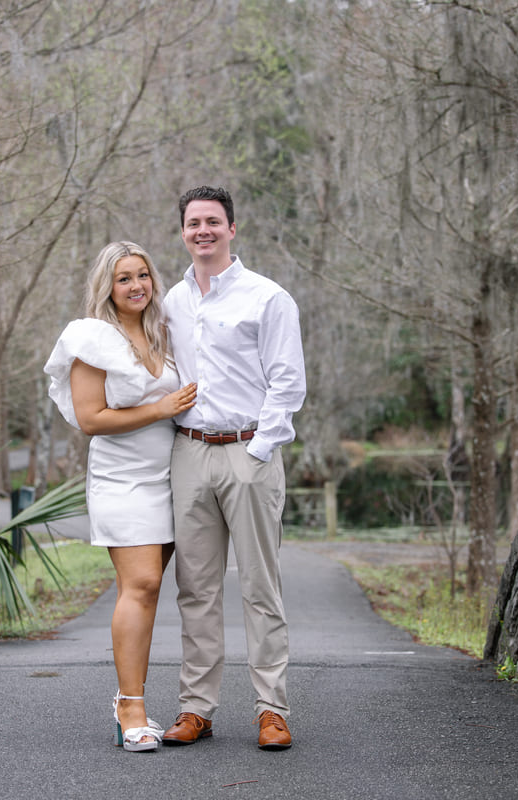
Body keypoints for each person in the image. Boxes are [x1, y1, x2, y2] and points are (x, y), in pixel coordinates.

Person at [161, 186, 306, 751]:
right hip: (189, 453)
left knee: (259, 587)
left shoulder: (267, 298)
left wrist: (260, 449)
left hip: (249, 451)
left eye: (213, 222)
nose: (204, 230)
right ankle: (196, 708)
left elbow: (287, 381)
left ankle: (272, 709)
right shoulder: (171, 301)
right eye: (194, 222)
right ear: (183, 232)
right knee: (194, 588)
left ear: (232, 229)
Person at [44, 241, 197, 753]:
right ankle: (130, 705)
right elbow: (92, 420)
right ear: (107, 287)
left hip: (172, 475)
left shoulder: (165, 333)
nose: (136, 286)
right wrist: (160, 408)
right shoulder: (92, 338)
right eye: (124, 278)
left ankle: (139, 698)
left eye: (143, 275)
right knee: (143, 582)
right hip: (122, 479)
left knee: (149, 594)